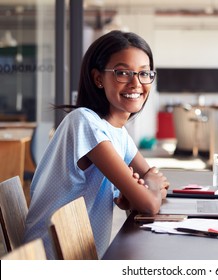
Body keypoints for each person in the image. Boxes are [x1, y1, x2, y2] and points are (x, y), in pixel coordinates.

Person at [23, 30, 169, 259]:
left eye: (144, 73)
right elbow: (150, 201)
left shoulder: (117, 132)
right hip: (52, 259)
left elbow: (154, 193)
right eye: (122, 73)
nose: (136, 83)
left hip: (76, 255)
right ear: (98, 78)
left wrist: (141, 191)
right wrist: (147, 185)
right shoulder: (85, 123)